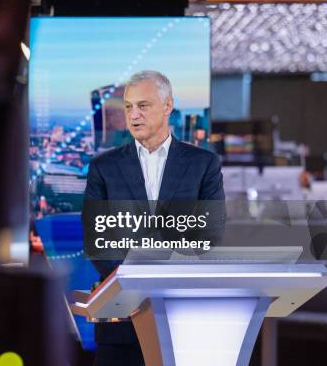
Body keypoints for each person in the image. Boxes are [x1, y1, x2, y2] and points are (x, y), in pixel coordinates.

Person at [83, 70, 225, 366]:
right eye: (128, 107)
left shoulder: (203, 164)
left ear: (168, 106)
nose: (133, 115)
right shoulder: (103, 167)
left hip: (183, 318)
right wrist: (136, 281)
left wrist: (164, 275)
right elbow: (97, 240)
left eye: (143, 105)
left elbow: (210, 234)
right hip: (120, 323)